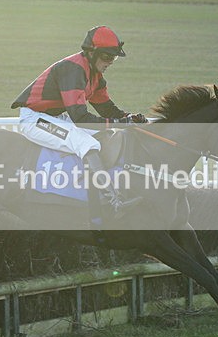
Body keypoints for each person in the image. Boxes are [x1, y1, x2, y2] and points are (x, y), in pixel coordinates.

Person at [11, 25, 147, 218]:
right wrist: (119, 121)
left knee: (104, 135)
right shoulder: (72, 70)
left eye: (114, 58)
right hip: (35, 120)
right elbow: (81, 118)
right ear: (92, 53)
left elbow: (107, 109)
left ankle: (96, 191)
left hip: (55, 118)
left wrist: (129, 118)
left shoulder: (96, 77)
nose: (111, 62)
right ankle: (112, 201)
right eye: (107, 57)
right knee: (87, 142)